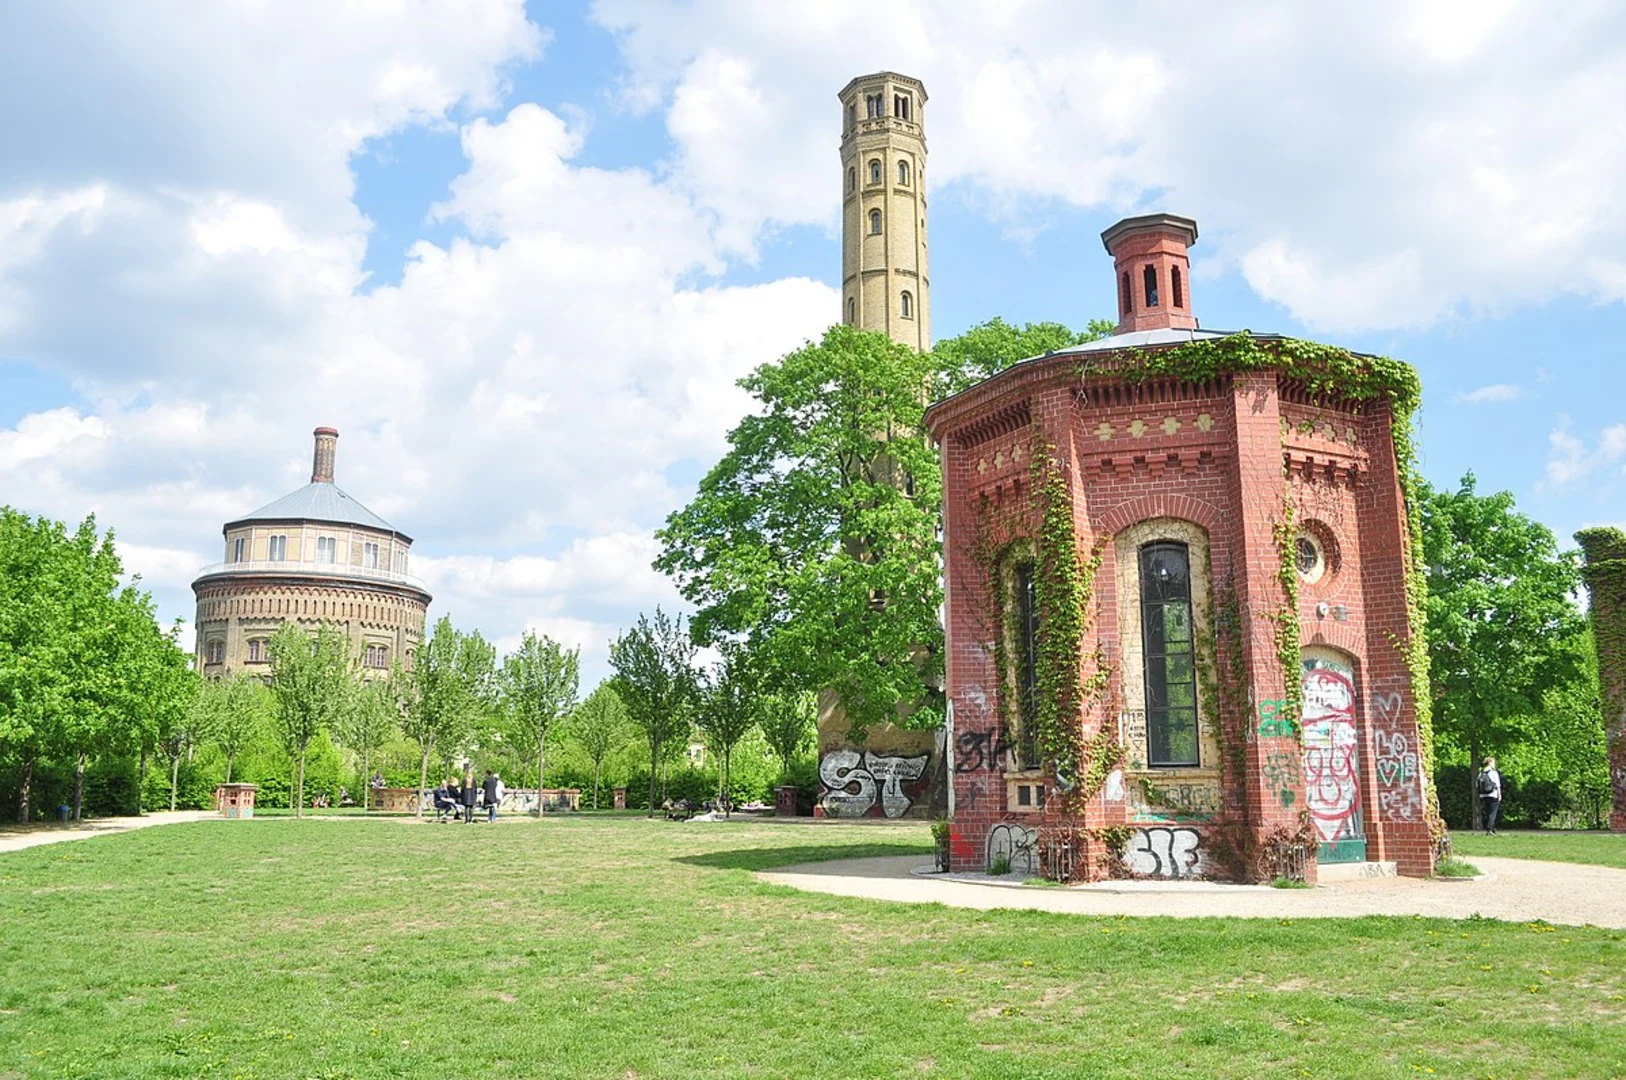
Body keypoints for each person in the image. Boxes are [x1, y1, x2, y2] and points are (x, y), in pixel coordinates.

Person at [1477, 756, 1503, 835]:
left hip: (1483, 795)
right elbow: (1498, 785)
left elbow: (1477, 785)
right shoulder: (1493, 773)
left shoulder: (1480, 773)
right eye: (1494, 763)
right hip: (1493, 794)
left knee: (1488, 812)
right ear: (1490, 763)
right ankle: (1489, 829)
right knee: (1493, 813)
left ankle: (1493, 829)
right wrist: (1499, 794)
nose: (1495, 764)